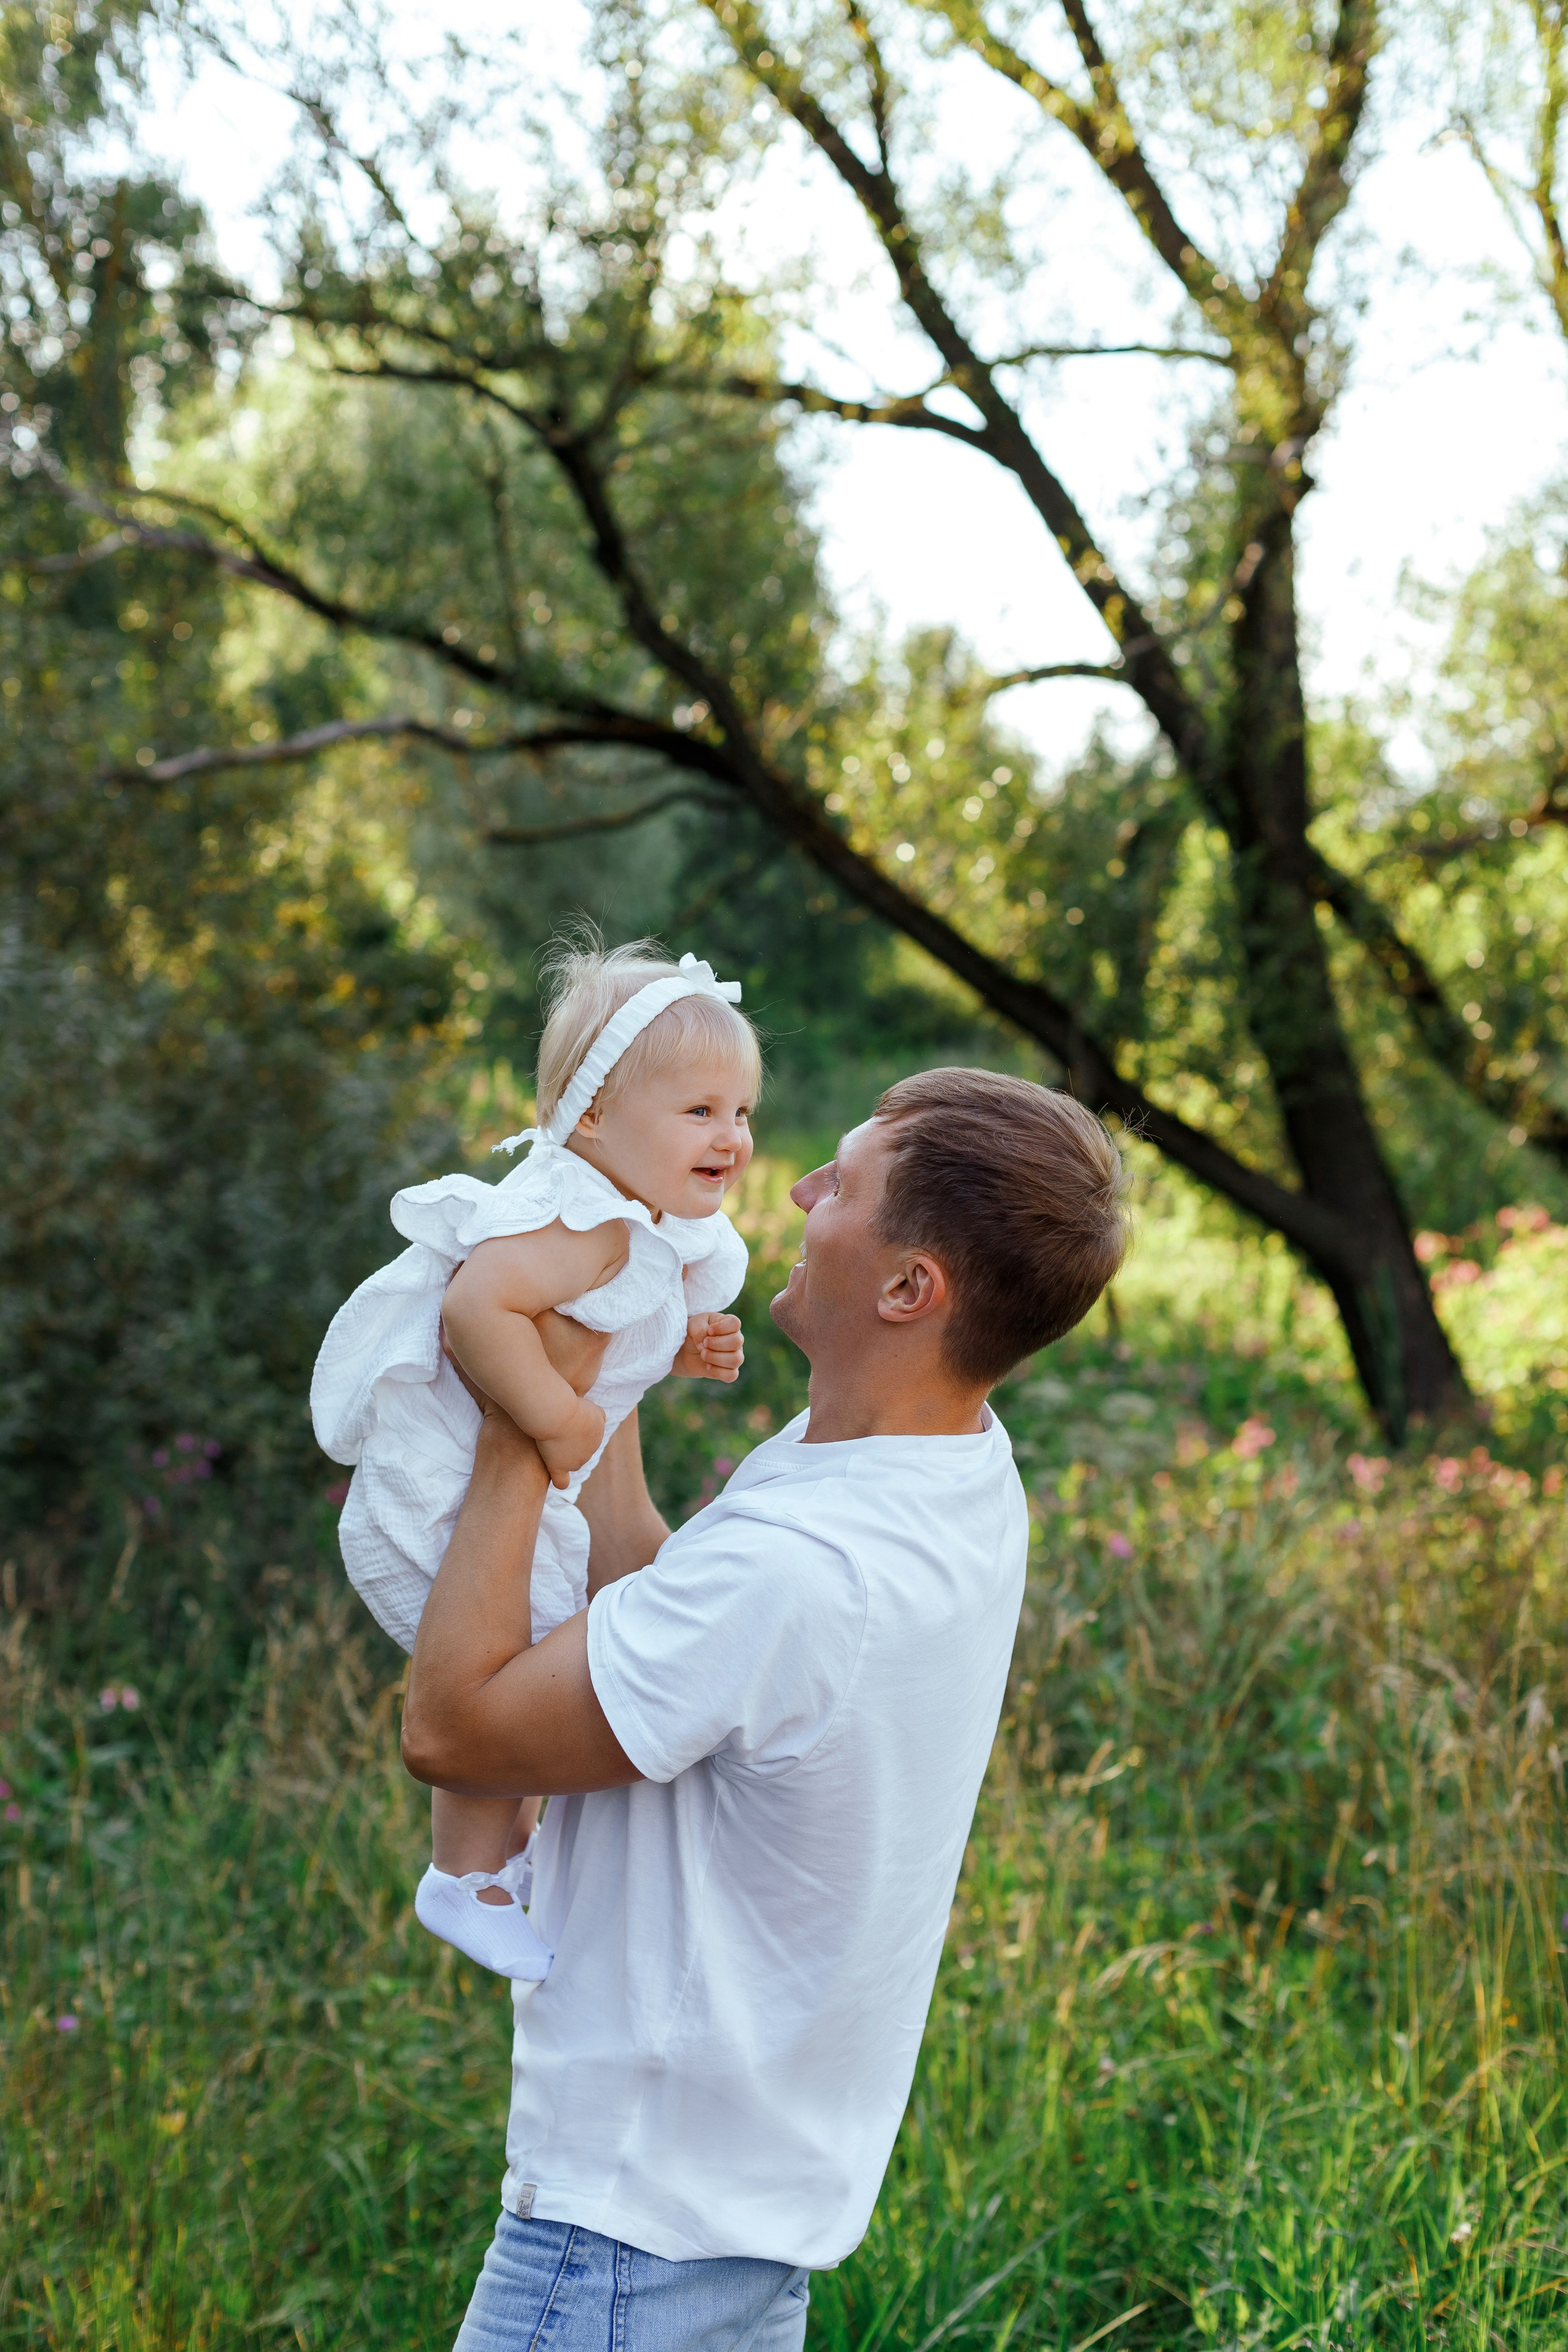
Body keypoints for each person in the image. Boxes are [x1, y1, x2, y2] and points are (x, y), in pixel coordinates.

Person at [401, 1065, 1130, 2350]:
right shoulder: (943, 1469)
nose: (790, 1188)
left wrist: (516, 1417)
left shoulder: (800, 1572)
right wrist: (603, 1366)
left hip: (623, 2252)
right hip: (728, 2246)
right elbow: (660, 1621)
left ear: (909, 1289)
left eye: (840, 1185)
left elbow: (454, 1732)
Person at [311, 940, 759, 1978]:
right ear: (593, 1118)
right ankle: (464, 1877)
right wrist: (554, 1419)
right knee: (498, 1680)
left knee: (525, 1662)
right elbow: (479, 1307)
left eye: (739, 1112)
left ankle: (497, 1863)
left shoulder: (626, 1227)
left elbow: (597, 1331)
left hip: (497, 1485)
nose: (730, 1136)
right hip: (441, 1489)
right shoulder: (585, 1222)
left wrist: (675, 1346)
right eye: (698, 1111)